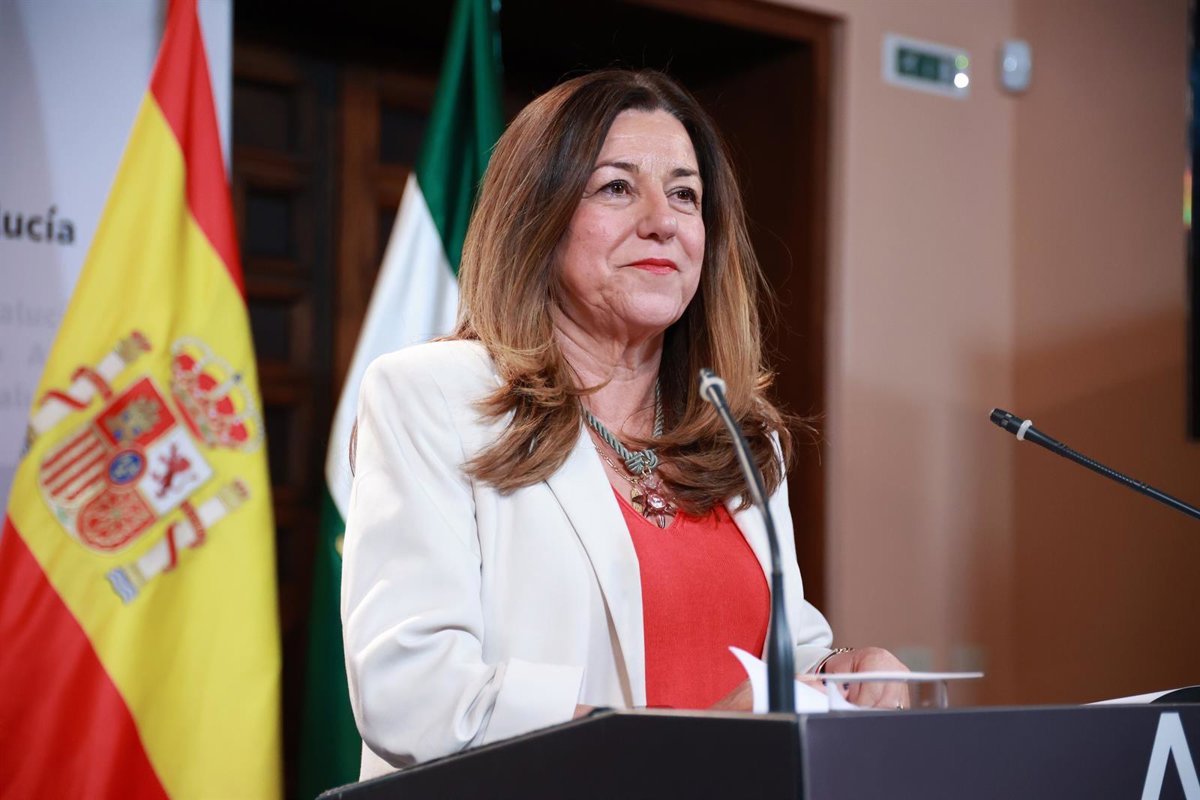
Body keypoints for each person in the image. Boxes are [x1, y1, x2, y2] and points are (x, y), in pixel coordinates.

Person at [340, 69, 907, 778]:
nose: (663, 221)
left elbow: (780, 659)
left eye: (685, 195)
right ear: (536, 216)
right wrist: (675, 740)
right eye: (616, 187)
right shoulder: (432, 396)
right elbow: (412, 693)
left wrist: (841, 674)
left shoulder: (739, 436)